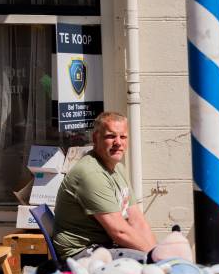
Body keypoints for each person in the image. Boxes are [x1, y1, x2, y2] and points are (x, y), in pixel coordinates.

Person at [53, 112, 156, 261]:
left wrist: (156, 252)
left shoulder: (118, 168)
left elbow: (137, 220)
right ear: (96, 138)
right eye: (111, 136)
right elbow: (120, 232)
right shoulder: (91, 173)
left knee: (160, 258)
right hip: (81, 253)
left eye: (123, 137)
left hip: (107, 245)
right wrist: (155, 258)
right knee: (146, 262)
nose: (118, 142)